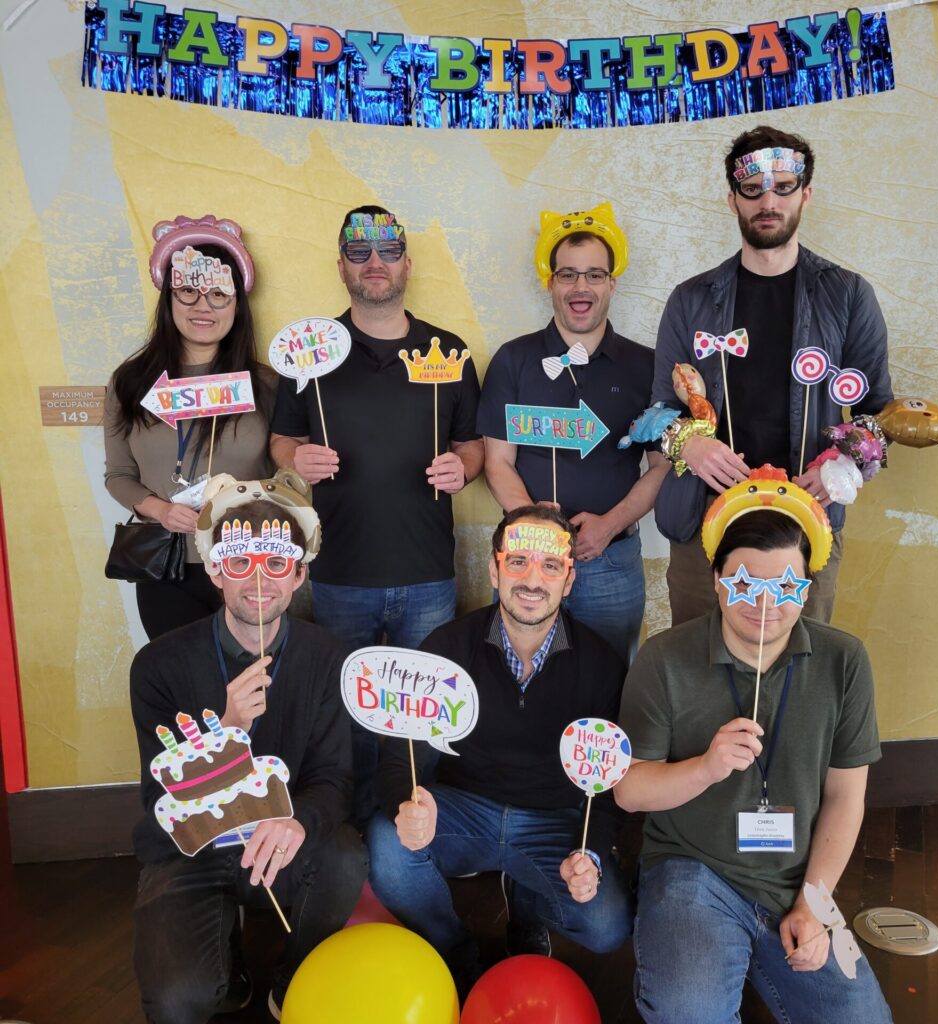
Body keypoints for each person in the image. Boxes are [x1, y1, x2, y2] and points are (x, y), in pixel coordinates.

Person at [615, 470, 892, 1023]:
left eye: (784, 587)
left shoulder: (844, 662)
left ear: (806, 588)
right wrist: (705, 768)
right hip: (692, 867)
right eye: (745, 584)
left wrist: (814, 905)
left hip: (795, 877)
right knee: (688, 1013)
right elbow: (627, 791)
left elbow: (844, 798)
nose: (765, 605)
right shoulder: (664, 659)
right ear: (717, 580)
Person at [270, 204, 483, 825]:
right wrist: (297, 458)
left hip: (427, 572)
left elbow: (472, 444)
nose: (375, 264)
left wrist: (463, 467)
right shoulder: (309, 355)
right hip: (339, 572)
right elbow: (281, 440)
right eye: (359, 254)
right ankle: (359, 832)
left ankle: (416, 829)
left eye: (387, 252)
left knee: (423, 714)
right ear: (341, 267)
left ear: (407, 264)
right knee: (350, 714)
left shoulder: (450, 351)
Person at [129, 471, 367, 1023]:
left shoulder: (327, 657)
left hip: (281, 842)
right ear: (215, 569)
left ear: (300, 575)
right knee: (177, 1003)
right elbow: (157, 799)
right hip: (190, 848)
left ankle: (293, 976)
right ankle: (227, 973)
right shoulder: (159, 666)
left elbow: (335, 780)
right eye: (240, 564)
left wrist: (297, 820)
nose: (259, 582)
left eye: (277, 565)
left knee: (344, 853)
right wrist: (226, 731)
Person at [367, 505, 633, 995]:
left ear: (568, 580)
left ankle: (525, 891)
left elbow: (610, 782)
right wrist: (405, 803)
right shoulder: (446, 648)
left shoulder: (601, 665)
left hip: (553, 820)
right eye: (517, 562)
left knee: (607, 925)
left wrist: (591, 855)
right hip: (463, 811)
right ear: (493, 569)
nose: (533, 580)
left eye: (551, 566)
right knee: (388, 844)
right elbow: (400, 753)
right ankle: (455, 951)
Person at [651, 126, 892, 625]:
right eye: (753, 189)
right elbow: (657, 410)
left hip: (806, 528)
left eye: (783, 187)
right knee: (699, 674)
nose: (768, 201)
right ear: (732, 199)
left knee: (800, 677)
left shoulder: (847, 295)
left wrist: (846, 462)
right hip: (705, 529)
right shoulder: (690, 299)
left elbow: (879, 412)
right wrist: (687, 445)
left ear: (805, 194)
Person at [477, 203, 669, 663]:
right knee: (520, 672)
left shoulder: (647, 365)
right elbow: (496, 461)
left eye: (594, 275)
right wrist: (536, 528)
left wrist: (608, 526)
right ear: (550, 283)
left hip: (611, 560)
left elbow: (661, 468)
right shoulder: (513, 359)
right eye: (567, 275)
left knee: (611, 676)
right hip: (529, 562)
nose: (581, 287)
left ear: (612, 284)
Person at [104, 214, 275, 640]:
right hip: (167, 565)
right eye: (188, 291)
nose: (203, 306)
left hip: (248, 561)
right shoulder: (130, 382)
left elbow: (284, 476)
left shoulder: (268, 385)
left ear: (238, 304)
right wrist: (161, 510)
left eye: (219, 293)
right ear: (168, 299)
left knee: (255, 687)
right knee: (183, 685)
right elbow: (119, 476)